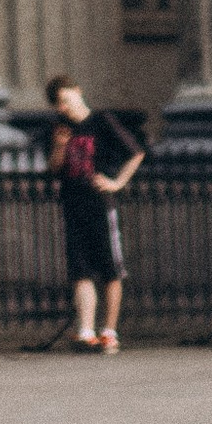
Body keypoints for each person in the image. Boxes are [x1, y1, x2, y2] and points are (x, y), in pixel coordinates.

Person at [46, 75, 145, 351]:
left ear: (78, 92)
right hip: (73, 203)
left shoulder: (102, 122)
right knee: (80, 270)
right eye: (59, 104)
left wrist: (117, 182)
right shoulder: (60, 130)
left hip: (100, 204)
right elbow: (53, 168)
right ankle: (86, 330)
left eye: (66, 99)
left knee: (110, 269)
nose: (64, 107)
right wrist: (60, 146)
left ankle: (109, 331)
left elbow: (136, 153)